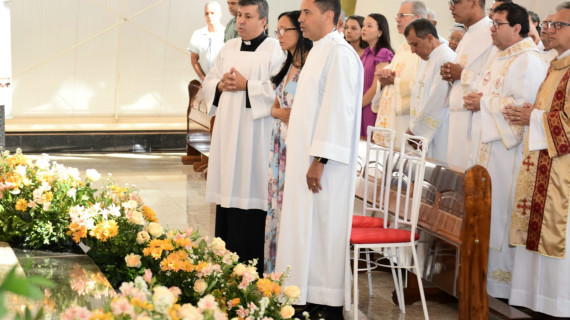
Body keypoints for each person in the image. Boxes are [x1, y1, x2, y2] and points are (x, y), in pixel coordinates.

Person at [275, 0, 363, 318]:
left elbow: (338, 110)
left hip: (327, 165)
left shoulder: (339, 53)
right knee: (308, 229)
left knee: (325, 228)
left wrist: (320, 159)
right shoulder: (319, 50)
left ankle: (327, 302)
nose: (300, 19)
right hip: (310, 158)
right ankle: (308, 294)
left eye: (306, 12)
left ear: (329, 16)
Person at [464, 2, 547, 299]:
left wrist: (482, 104)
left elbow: (523, 110)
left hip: (507, 157)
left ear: (516, 28)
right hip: (488, 151)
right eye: (492, 23)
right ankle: (478, 280)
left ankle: (499, 285)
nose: (492, 29)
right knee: (485, 213)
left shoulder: (528, 61)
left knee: (498, 215)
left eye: (498, 24)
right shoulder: (499, 56)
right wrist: (479, 99)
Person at [202, 0, 285, 274]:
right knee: (228, 191)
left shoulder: (275, 50)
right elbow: (209, 80)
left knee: (251, 190)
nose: (240, 21)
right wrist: (220, 85)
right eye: (239, 15)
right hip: (228, 133)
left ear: (264, 22)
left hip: (255, 137)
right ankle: (224, 265)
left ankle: (250, 268)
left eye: (248, 16)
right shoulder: (227, 48)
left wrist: (246, 86)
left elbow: (279, 90)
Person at [505, 2, 570, 317]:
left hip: (563, 172)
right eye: (547, 22)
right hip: (543, 161)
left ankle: (556, 304)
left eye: (557, 24)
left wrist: (534, 116)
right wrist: (531, 115)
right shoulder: (555, 65)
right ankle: (534, 299)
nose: (548, 28)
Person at [265, 10, 312, 274]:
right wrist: (281, 113)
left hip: (296, 143)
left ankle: (291, 270)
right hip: (280, 142)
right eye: (277, 31)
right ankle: (273, 268)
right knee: (276, 205)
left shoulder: (310, 67)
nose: (280, 36)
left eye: (285, 30)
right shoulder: (287, 64)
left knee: (291, 204)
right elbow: (274, 106)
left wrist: (287, 115)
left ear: (300, 32)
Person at [441, 0, 496, 170]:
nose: (451, 7)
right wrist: (450, 74)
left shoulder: (491, 34)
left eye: (455, 2)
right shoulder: (468, 33)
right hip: (457, 118)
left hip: (473, 121)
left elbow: (495, 81)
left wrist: (461, 74)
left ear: (473, 2)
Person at [372, 0, 426, 147]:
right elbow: (394, 72)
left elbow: (422, 84)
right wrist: (383, 80)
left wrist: (393, 81)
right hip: (391, 120)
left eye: (402, 15)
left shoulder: (425, 47)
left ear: (418, 17)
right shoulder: (404, 47)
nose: (397, 19)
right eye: (397, 15)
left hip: (405, 122)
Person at [405, 19, 456, 163]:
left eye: (415, 44)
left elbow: (438, 99)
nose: (412, 50)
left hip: (438, 132)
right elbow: (417, 95)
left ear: (429, 38)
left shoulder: (446, 58)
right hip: (422, 131)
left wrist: (417, 131)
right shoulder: (427, 58)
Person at [360, 13, 394, 138]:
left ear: (380, 32)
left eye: (369, 26)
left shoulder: (383, 53)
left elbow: (375, 88)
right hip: (361, 104)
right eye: (363, 25)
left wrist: (357, 106)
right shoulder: (366, 53)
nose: (364, 29)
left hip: (371, 108)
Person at [188, 2, 226, 81]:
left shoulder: (227, 33)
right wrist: (203, 78)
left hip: (222, 83)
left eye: (212, 13)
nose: (209, 16)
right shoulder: (197, 34)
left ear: (220, 14)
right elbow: (194, 60)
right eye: (206, 13)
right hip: (203, 83)